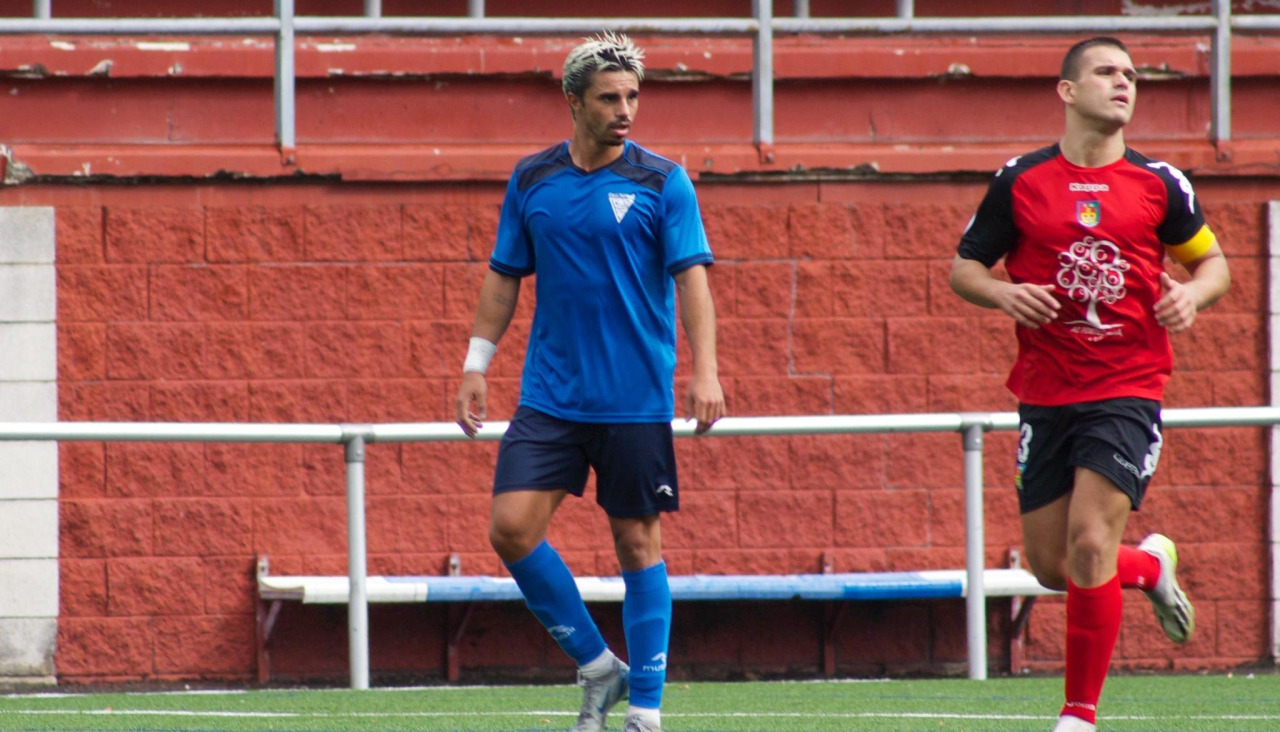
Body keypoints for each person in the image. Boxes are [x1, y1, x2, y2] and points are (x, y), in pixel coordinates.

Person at [949, 36, 1230, 732]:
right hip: (1046, 391)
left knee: (1090, 542)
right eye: (1106, 72)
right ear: (1068, 91)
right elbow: (965, 269)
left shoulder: (1160, 183)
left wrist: (1193, 296)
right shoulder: (1020, 181)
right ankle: (1151, 568)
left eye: (1130, 74)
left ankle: (1078, 716)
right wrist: (1003, 294)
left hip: (1128, 386)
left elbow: (1214, 264)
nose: (1124, 82)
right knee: (1053, 566)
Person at [455, 31, 725, 732]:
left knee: (637, 544)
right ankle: (599, 666)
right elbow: (503, 278)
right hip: (550, 397)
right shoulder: (531, 179)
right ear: (573, 101)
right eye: (609, 98)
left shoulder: (663, 181)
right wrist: (476, 365)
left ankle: (645, 711)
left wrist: (705, 371)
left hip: (634, 399)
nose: (624, 110)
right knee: (510, 529)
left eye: (632, 96)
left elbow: (692, 281)